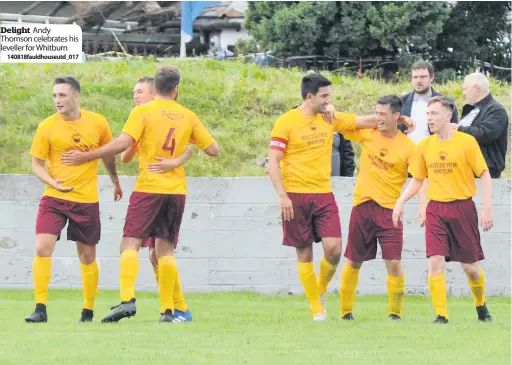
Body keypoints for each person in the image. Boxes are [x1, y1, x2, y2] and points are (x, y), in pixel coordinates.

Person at [61, 65, 220, 323]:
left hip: (149, 188)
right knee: (164, 250)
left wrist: (86, 156)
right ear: (176, 89)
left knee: (130, 243)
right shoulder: (188, 116)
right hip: (176, 191)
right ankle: (168, 312)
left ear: (155, 88)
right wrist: (179, 157)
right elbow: (214, 150)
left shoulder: (143, 112)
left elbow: (122, 147)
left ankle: (127, 301)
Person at [267, 74, 415, 321]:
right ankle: (316, 306)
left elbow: (363, 121)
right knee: (304, 252)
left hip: (324, 194)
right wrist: (282, 195)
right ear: (310, 96)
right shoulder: (286, 122)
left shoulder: (329, 117)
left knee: (334, 250)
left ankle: (320, 289)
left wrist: (401, 120)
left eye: (330, 96)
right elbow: (273, 161)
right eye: (325, 96)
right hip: (294, 194)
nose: (329, 100)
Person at [26, 76, 122, 323]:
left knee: (87, 257)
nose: (57, 100)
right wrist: (52, 182)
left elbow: (108, 155)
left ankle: (88, 311)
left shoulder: (98, 122)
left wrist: (115, 181)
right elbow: (36, 164)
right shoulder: (46, 126)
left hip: (86, 201)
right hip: (54, 198)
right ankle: (40, 309)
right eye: (55, 96)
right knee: (41, 247)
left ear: (76, 97)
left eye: (62, 95)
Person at [392, 96, 493, 324]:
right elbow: (418, 179)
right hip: (435, 209)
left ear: (448, 116)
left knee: (471, 268)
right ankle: (441, 315)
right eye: (428, 114)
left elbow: (485, 175)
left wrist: (487, 209)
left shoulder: (466, 142)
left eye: (435, 114)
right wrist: (401, 201)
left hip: (463, 208)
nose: (430, 118)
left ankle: (481, 305)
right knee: (434, 260)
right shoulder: (425, 146)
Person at [120, 76, 194, 322]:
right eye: (133, 92)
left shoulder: (153, 114)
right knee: (157, 253)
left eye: (140, 91)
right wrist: (135, 139)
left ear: (154, 94)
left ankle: (171, 307)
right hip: (172, 192)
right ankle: (176, 309)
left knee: (150, 249)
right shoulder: (144, 117)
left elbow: (189, 147)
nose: (135, 96)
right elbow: (127, 157)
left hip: (153, 189)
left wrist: (175, 161)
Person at [339, 95, 417, 321]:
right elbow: (343, 123)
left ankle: (395, 313)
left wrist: (414, 203)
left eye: (383, 114)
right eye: (376, 113)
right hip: (362, 206)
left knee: (393, 262)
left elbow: (419, 177)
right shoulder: (369, 133)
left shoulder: (408, 147)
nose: (378, 118)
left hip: (389, 211)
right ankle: (345, 312)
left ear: (396, 116)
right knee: (353, 260)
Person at [454, 72, 509, 179]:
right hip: (466, 171)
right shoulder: (471, 110)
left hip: (486, 172)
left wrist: (458, 129)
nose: (463, 93)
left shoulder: (496, 110)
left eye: (465, 89)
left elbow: (484, 134)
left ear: (476, 88)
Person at [400, 60, 458, 144]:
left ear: (432, 77)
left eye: (423, 77)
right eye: (415, 77)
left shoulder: (446, 103)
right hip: (406, 153)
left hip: (435, 152)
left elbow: (454, 131)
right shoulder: (401, 102)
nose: (418, 81)